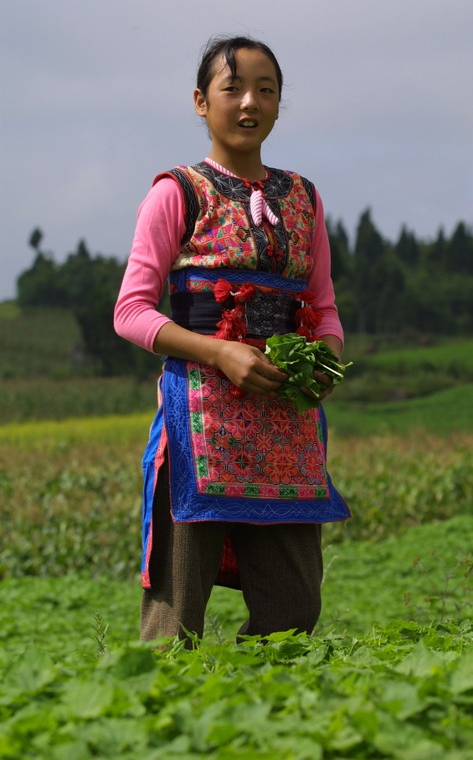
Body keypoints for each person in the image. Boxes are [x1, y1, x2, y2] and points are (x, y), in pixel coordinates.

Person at [114, 35, 350, 645]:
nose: (250, 103)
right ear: (201, 101)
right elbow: (131, 312)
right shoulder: (178, 192)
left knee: (293, 612)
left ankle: (267, 724)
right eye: (233, 89)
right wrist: (219, 352)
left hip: (286, 429)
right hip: (200, 425)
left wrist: (327, 358)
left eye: (265, 90)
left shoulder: (303, 198)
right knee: (174, 620)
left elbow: (323, 308)